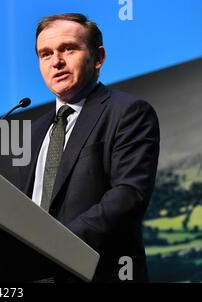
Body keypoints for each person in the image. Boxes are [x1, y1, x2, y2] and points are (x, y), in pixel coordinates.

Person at [18, 13, 160, 282]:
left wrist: (56, 245)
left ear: (99, 58)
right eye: (45, 54)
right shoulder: (35, 131)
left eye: (68, 49)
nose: (56, 62)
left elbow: (129, 195)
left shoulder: (128, 112)